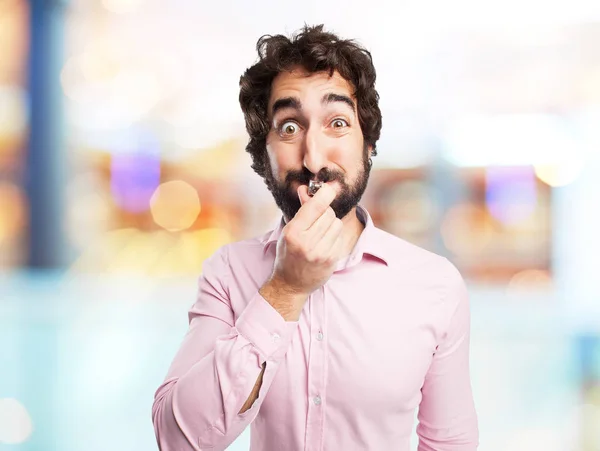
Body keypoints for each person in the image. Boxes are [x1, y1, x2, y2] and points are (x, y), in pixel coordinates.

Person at [152, 24, 479, 451]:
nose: (313, 157)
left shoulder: (436, 284)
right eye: (289, 128)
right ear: (262, 154)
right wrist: (283, 291)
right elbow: (177, 439)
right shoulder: (228, 273)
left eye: (338, 123)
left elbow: (449, 444)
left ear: (369, 144)